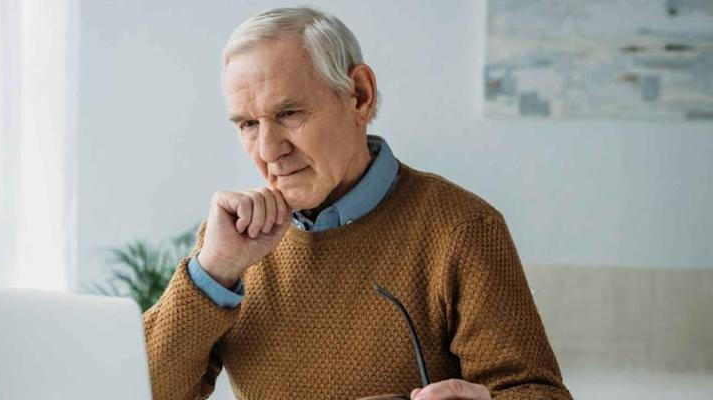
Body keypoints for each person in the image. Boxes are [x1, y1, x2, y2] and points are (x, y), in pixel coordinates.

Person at [142, 6, 570, 400]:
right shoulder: (230, 246)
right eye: (248, 124)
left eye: (289, 113)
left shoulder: (463, 229)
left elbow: (537, 393)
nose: (269, 150)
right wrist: (212, 272)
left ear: (360, 96)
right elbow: (142, 391)